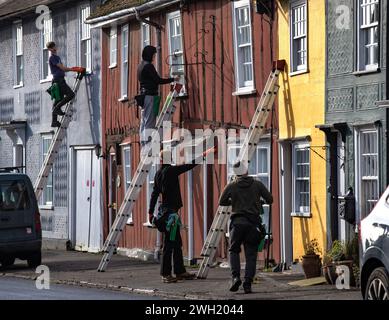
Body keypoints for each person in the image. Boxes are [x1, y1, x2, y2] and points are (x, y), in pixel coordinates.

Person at [148, 147, 215, 283]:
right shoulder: (171, 171)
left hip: (166, 212)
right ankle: (166, 274)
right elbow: (188, 165)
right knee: (169, 244)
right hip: (170, 214)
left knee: (176, 242)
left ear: (161, 160)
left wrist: (150, 212)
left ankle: (180, 271)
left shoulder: (158, 174)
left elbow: (154, 194)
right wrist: (203, 154)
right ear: (169, 158)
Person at [219, 161, 273, 294]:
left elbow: (222, 201)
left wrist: (234, 201)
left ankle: (235, 277)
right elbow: (270, 199)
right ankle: (247, 283)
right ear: (247, 171)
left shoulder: (231, 186)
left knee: (234, 251)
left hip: (237, 223)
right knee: (251, 255)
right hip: (253, 224)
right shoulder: (257, 184)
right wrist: (258, 201)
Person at [137, 45, 179, 145]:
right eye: (153, 55)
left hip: (143, 96)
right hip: (149, 96)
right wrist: (173, 79)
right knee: (150, 121)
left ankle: (143, 142)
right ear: (150, 55)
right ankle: (148, 143)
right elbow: (158, 80)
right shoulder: (148, 66)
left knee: (144, 121)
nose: (154, 57)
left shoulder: (140, 66)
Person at [46, 41, 84, 128]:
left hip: (59, 79)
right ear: (50, 49)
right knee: (71, 94)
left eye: (55, 46)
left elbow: (63, 69)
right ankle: (57, 109)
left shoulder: (57, 57)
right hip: (58, 80)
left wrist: (74, 69)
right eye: (53, 47)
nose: (55, 48)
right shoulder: (52, 58)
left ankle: (54, 121)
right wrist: (73, 69)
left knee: (58, 99)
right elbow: (62, 68)